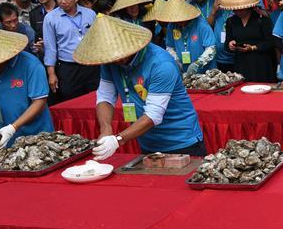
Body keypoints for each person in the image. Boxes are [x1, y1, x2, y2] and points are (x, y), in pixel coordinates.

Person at [75, 15, 206, 158]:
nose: (114, 59)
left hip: (181, 141)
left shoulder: (161, 64)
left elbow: (154, 114)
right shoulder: (109, 62)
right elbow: (105, 96)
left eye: (118, 55)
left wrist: (117, 140)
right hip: (147, 140)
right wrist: (106, 129)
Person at [43, 0, 98, 103]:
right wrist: (51, 74)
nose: (63, 1)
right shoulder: (50, 18)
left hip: (91, 66)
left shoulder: (90, 14)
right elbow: (50, 48)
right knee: (72, 101)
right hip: (68, 67)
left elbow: (97, 40)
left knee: (95, 99)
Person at [221, 0, 276, 82]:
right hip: (241, 64)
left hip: (260, 63)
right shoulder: (231, 21)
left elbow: (270, 42)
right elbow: (226, 44)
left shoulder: (261, 19)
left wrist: (253, 47)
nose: (238, 11)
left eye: (241, 9)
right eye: (235, 9)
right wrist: (230, 44)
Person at [156, 0, 217, 75]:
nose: (179, 22)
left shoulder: (201, 24)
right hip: (184, 71)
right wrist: (176, 61)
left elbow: (211, 48)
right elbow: (170, 46)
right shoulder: (172, 25)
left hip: (206, 72)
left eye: (181, 19)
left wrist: (198, 63)